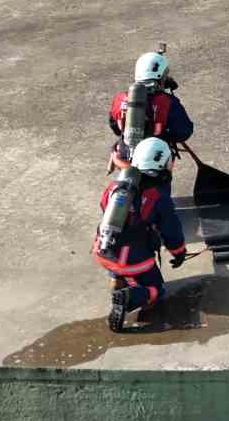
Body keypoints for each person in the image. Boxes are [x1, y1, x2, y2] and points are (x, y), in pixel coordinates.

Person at [92, 137, 190, 332]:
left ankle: (117, 280)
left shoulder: (115, 187)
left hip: (102, 249)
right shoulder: (158, 197)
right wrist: (179, 252)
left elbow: (105, 208)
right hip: (135, 259)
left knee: (120, 267)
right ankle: (129, 297)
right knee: (156, 290)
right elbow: (171, 230)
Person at [107, 50, 193, 172]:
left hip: (124, 156)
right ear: (160, 77)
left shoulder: (119, 99)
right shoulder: (168, 102)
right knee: (159, 186)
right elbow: (184, 131)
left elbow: (115, 127)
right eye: (165, 75)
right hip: (155, 160)